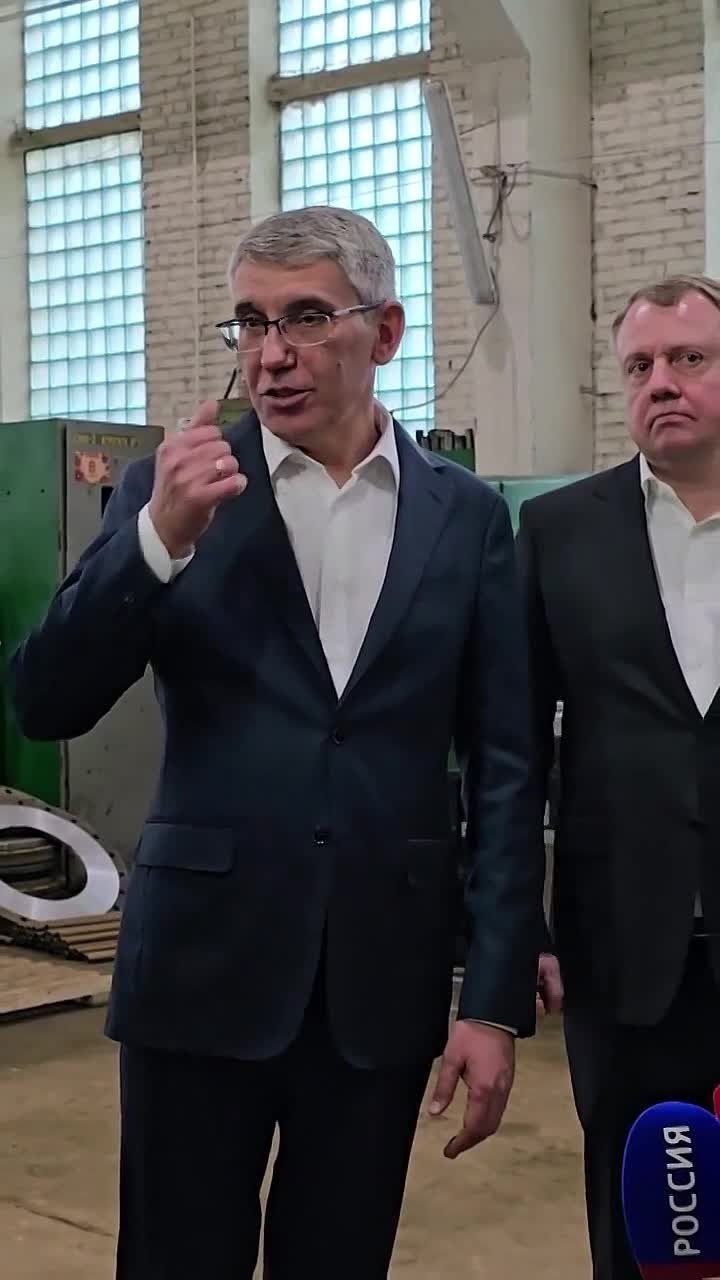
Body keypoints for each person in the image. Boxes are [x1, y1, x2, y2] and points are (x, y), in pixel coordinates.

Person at [9, 206, 544, 1280]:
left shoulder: (465, 517)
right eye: (249, 322)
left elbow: (505, 767)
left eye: (305, 317)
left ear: (384, 331)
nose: (271, 353)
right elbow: (45, 698)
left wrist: (490, 999)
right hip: (200, 967)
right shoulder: (173, 488)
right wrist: (156, 541)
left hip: (381, 981)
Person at [519, 273, 720, 1279]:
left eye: (690, 358)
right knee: (647, 1225)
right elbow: (515, 747)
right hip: (625, 951)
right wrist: (518, 922)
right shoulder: (561, 531)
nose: (661, 382)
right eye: (639, 365)